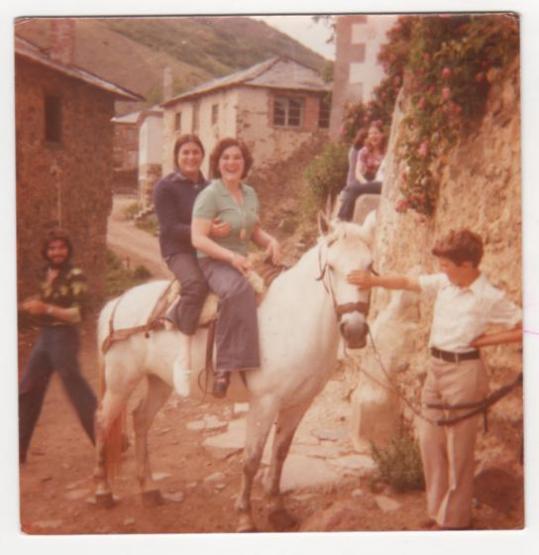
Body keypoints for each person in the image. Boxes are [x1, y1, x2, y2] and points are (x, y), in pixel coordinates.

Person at [347, 229, 522, 530]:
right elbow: (407, 282)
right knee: (430, 440)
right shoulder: (444, 283)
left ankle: (454, 520)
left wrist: (484, 341)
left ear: (467, 265)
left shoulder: (488, 296)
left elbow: (526, 326)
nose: (442, 270)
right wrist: (373, 281)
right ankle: (436, 509)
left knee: (459, 449)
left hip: (464, 372)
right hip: (436, 368)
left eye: (446, 265)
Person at [191, 138, 281, 398]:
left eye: (237, 158)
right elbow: (198, 239)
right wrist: (231, 258)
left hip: (241, 259)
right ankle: (225, 366)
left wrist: (272, 241)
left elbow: (254, 231)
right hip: (213, 260)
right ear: (217, 163)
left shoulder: (250, 193)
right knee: (237, 290)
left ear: (245, 163)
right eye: (226, 158)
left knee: (281, 284)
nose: (231, 163)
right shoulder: (209, 195)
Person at [153, 134, 229, 396]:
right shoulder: (165, 187)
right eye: (185, 152)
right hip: (179, 250)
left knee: (234, 284)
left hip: (205, 247)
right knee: (196, 285)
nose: (191, 157)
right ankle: (183, 357)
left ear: (202, 155)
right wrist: (205, 230)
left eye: (195, 152)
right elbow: (169, 227)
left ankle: (228, 360)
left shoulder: (210, 187)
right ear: (177, 156)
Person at [18, 228, 97, 464]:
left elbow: (79, 314)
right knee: (27, 390)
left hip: (65, 337)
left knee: (76, 390)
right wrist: (30, 305)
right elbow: (43, 302)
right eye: (52, 248)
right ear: (46, 251)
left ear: (68, 250)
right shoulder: (44, 273)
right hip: (45, 337)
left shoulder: (75, 275)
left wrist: (47, 308)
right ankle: (17, 449)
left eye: (61, 247)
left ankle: (108, 441)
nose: (57, 252)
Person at [338, 121, 386, 221]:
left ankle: (342, 219)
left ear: (382, 135)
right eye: (370, 134)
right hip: (367, 179)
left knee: (353, 189)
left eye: (376, 133)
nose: (373, 136)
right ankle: (344, 218)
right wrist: (365, 183)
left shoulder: (387, 152)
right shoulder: (364, 151)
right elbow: (358, 172)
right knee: (352, 189)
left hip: (381, 182)